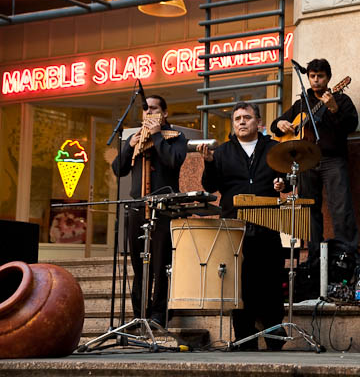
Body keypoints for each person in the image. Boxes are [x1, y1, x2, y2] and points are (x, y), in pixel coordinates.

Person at [199, 102, 288, 350]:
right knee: (240, 285)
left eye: (246, 117)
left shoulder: (273, 149)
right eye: (237, 118)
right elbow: (210, 187)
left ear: (258, 122)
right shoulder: (223, 152)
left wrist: (283, 184)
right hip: (234, 226)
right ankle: (245, 338)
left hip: (267, 224)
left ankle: (274, 337)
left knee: (270, 283)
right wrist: (208, 162)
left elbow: (290, 179)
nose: (241, 122)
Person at [270, 58, 360, 267]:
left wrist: (334, 109)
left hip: (332, 159)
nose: (316, 80)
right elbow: (276, 126)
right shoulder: (300, 104)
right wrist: (280, 123)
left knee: (341, 208)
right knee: (309, 210)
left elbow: (352, 125)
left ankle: (346, 257)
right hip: (305, 161)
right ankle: (313, 259)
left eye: (320, 76)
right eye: (312, 76)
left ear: (329, 78)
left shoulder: (341, 99)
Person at [112, 95, 188, 327]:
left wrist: (156, 136)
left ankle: (159, 313)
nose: (149, 114)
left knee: (161, 264)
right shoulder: (135, 136)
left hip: (164, 207)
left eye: (154, 109)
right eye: (146, 110)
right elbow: (118, 169)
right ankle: (139, 313)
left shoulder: (176, 137)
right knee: (138, 264)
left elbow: (174, 161)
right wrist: (130, 146)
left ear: (164, 114)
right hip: (138, 206)